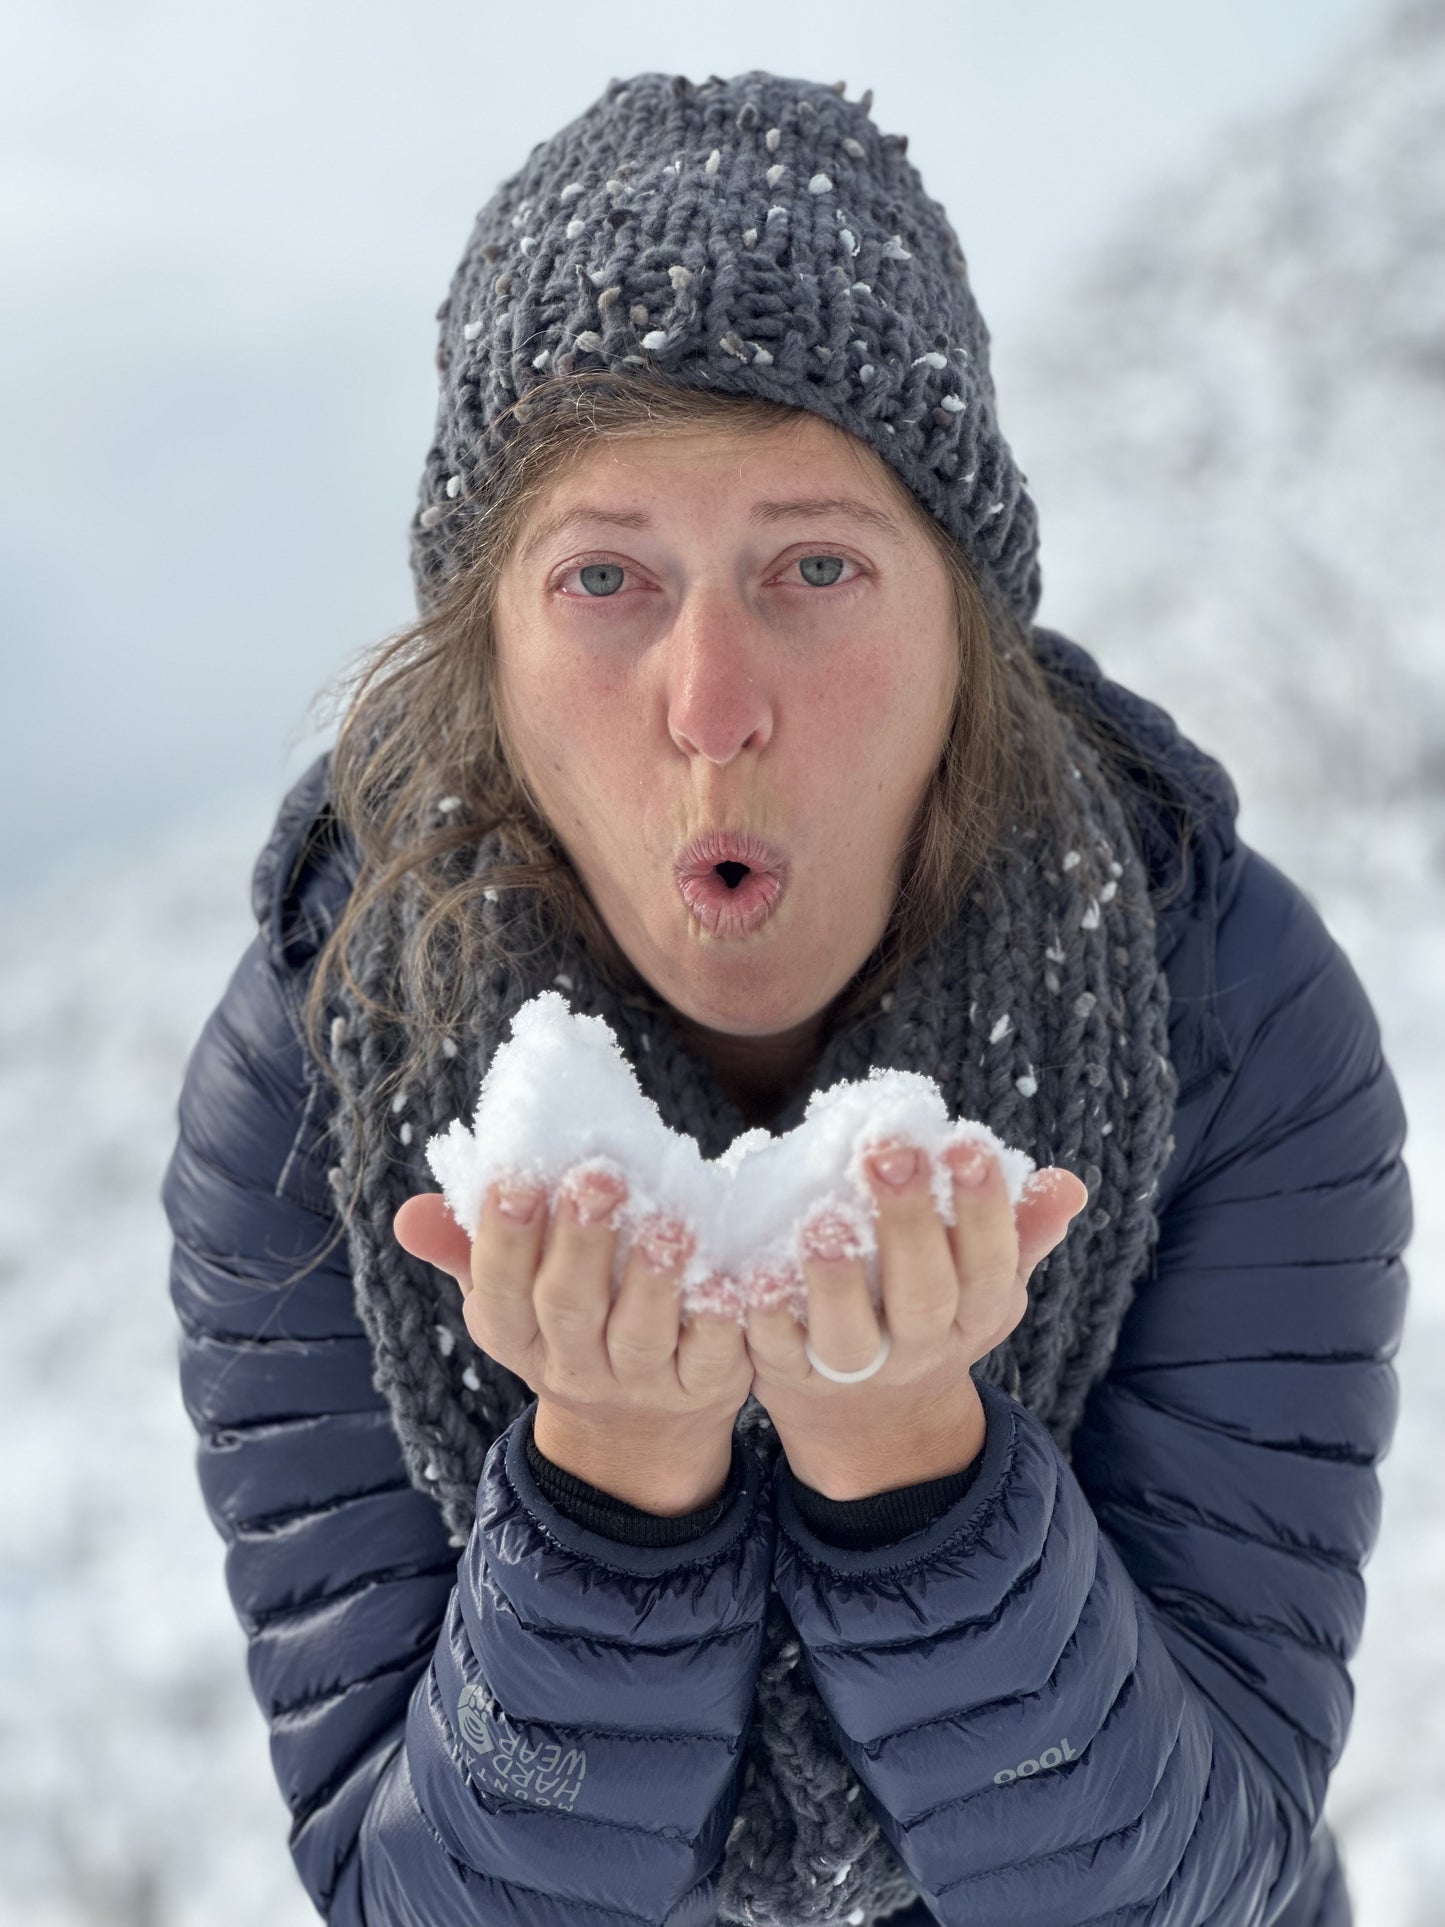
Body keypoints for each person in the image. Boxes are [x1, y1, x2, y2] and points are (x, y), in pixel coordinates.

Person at [162, 69, 1412, 1927]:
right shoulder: (324, 1074)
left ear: (964, 635)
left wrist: (917, 1471)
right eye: (604, 580)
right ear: (483, 660)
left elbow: (1201, 1883)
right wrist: (607, 1492)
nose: (708, 701)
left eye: (813, 566)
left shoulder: (1222, 1009)